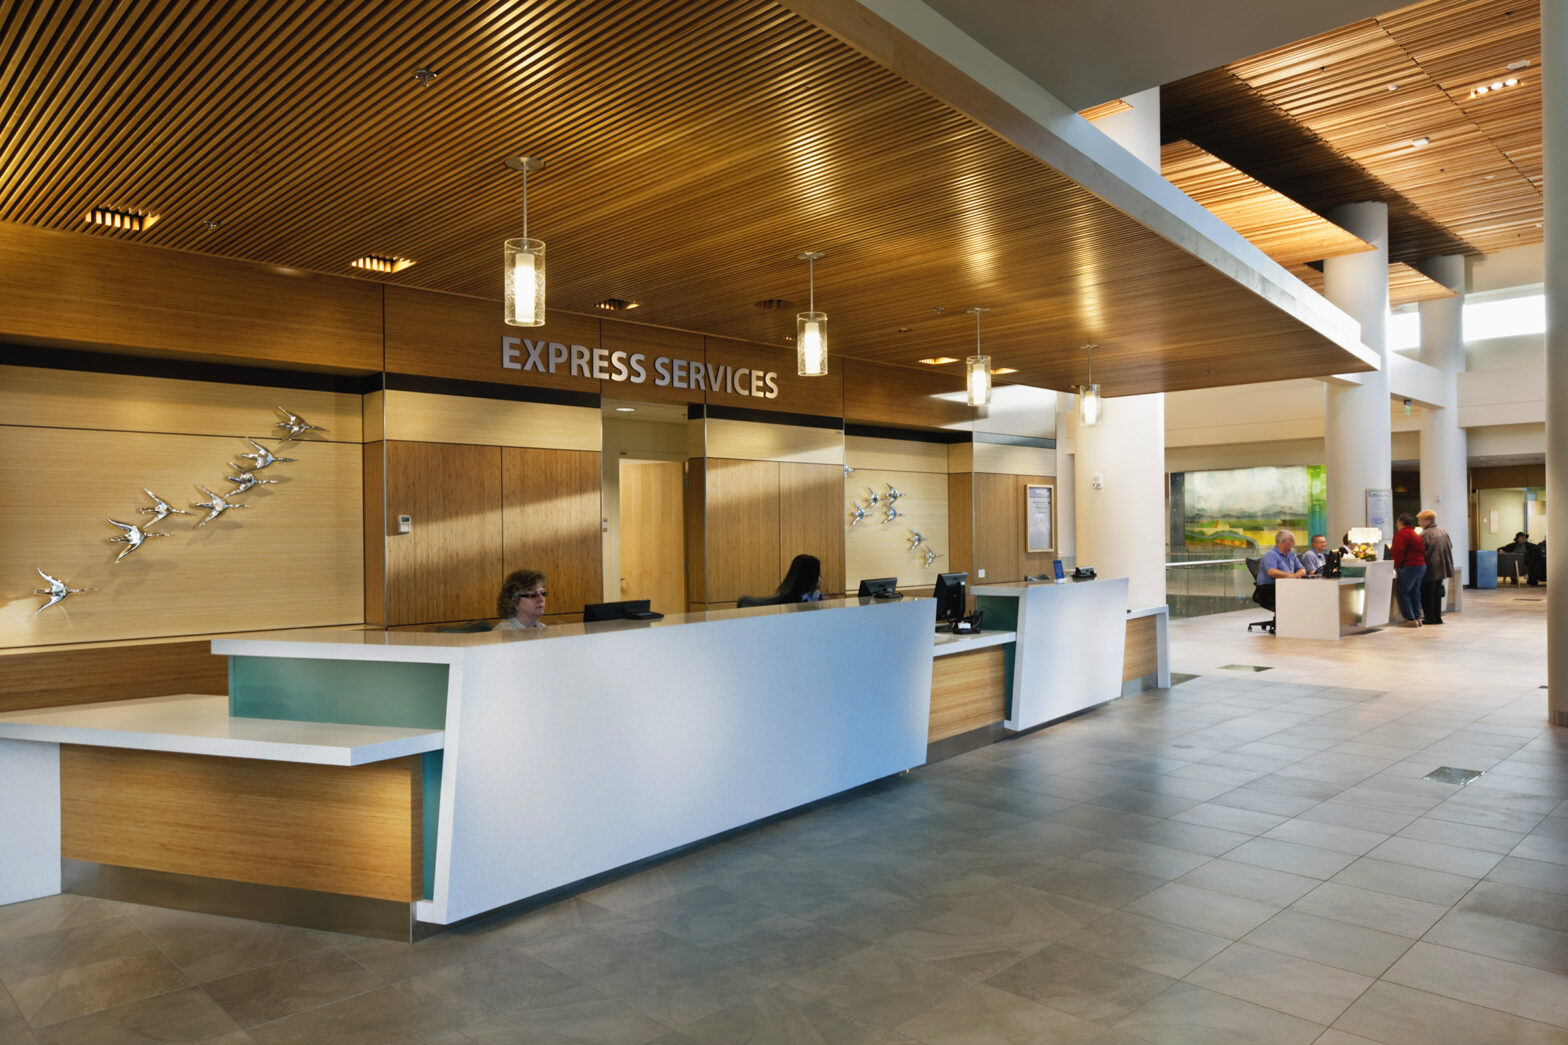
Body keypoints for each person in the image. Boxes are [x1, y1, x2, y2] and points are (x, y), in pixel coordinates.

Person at [1251, 530, 1305, 613]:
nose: (1294, 543)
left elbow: (1302, 569)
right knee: (1299, 599)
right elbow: (1271, 572)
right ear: (1284, 541)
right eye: (1292, 540)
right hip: (1269, 590)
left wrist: (1299, 573)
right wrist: (1292, 576)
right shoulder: (1271, 554)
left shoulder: (1291, 555)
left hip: (1286, 587)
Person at [1416, 510, 1453, 625]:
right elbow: (1450, 546)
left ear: (1427, 520)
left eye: (1420, 520)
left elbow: (1420, 551)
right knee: (1437, 593)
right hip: (1442, 567)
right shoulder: (1442, 531)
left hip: (1430, 567)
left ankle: (1429, 617)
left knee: (1427, 593)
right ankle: (1437, 616)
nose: (1419, 522)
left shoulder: (1425, 534)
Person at [1391, 513, 1426, 626]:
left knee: (1402, 592)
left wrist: (1397, 566)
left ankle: (1410, 619)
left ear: (1401, 522)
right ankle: (1418, 617)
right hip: (1420, 566)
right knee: (1415, 592)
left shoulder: (1401, 534)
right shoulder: (1415, 534)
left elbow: (1398, 552)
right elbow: (1422, 550)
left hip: (1409, 566)